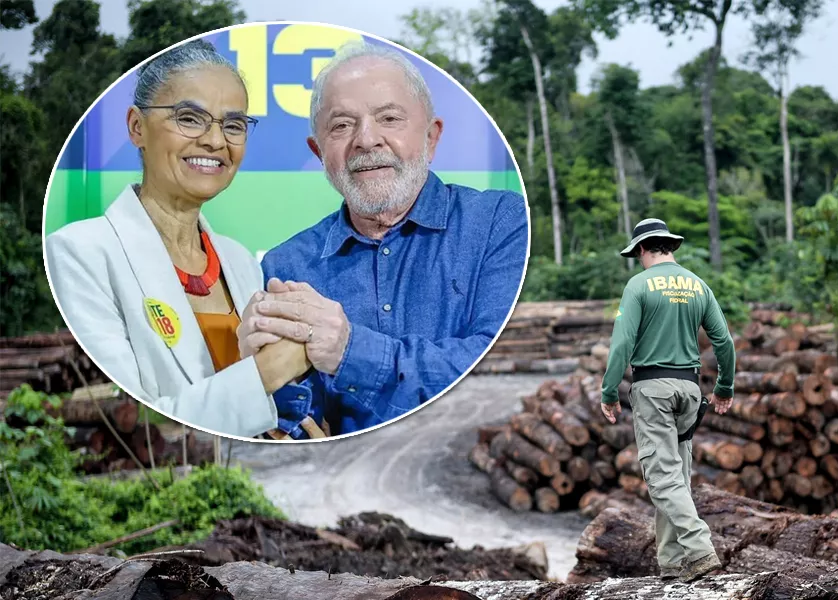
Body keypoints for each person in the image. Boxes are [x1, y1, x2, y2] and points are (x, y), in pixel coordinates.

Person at [239, 42, 528, 438]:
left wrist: (350, 350)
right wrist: (259, 382)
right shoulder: (285, 266)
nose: (366, 139)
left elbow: (501, 369)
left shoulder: (501, 223)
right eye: (341, 125)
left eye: (389, 118)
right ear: (319, 152)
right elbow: (298, 426)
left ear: (431, 137)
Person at [45, 40, 311, 438]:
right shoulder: (80, 253)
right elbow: (131, 423)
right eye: (190, 118)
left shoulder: (238, 262)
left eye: (234, 125)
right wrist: (270, 371)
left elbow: (256, 408)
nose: (215, 141)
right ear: (137, 127)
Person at [599, 218, 737, 582]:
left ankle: (700, 548)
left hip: (653, 389)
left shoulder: (638, 285)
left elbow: (622, 345)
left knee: (661, 478)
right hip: (689, 390)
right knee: (676, 477)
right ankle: (672, 564)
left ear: (643, 249)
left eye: (637, 255)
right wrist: (725, 387)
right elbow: (724, 342)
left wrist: (609, 391)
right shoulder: (698, 284)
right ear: (670, 247)